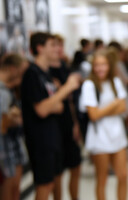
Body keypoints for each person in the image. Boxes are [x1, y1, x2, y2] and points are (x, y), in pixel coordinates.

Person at [21, 32, 81, 200]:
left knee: (52, 182)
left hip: (52, 137)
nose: (57, 49)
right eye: (52, 45)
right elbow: (42, 109)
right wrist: (66, 88)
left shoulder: (45, 73)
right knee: (45, 184)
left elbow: (59, 107)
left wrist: (54, 101)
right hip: (40, 140)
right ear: (40, 48)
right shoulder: (32, 74)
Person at [80, 48, 128, 200]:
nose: (100, 68)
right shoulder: (89, 85)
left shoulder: (115, 81)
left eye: (104, 64)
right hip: (99, 137)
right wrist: (114, 104)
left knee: (123, 176)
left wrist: (103, 110)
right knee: (102, 178)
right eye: (97, 65)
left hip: (117, 134)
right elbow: (93, 115)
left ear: (110, 65)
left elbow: (123, 107)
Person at [49, 34, 82, 200]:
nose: (58, 49)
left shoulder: (64, 67)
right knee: (57, 173)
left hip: (69, 123)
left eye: (60, 45)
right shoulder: (44, 72)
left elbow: (71, 100)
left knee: (76, 166)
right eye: (54, 45)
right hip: (54, 127)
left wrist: (75, 123)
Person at [0, 53, 28, 200]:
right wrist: (14, 118)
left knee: (14, 190)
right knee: (9, 192)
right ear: (12, 69)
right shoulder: (3, 93)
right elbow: (3, 125)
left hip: (11, 147)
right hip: (5, 150)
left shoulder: (7, 90)